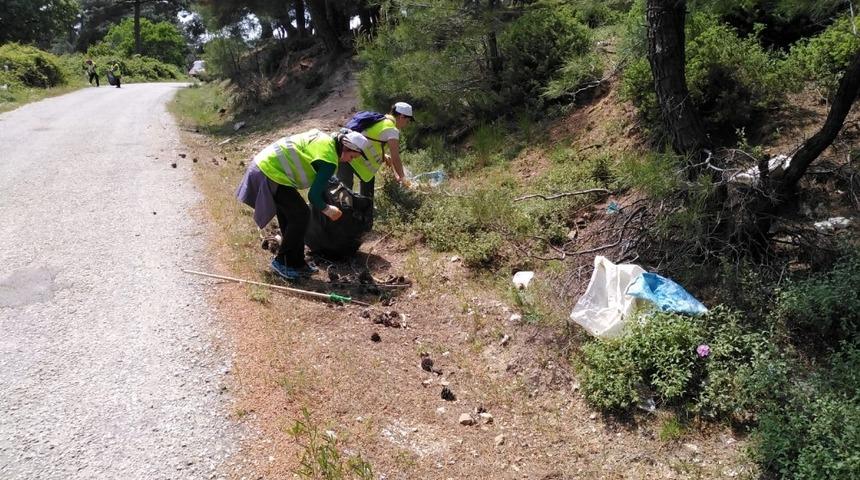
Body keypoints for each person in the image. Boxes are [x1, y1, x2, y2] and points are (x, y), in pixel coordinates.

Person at [236, 129, 370, 280]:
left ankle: (296, 262)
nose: (350, 160)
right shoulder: (329, 160)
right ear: (345, 147)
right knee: (301, 214)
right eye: (352, 156)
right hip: (269, 171)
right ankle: (281, 262)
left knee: (294, 214)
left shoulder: (326, 141)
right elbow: (313, 196)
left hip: (265, 166)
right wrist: (328, 210)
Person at [336, 102, 414, 197]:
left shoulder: (379, 120)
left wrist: (394, 172)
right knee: (364, 198)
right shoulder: (392, 130)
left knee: (343, 192)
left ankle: (347, 210)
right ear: (402, 117)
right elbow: (396, 157)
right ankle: (362, 210)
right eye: (407, 121)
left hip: (344, 154)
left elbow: (371, 140)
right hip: (355, 160)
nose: (407, 124)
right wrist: (403, 178)